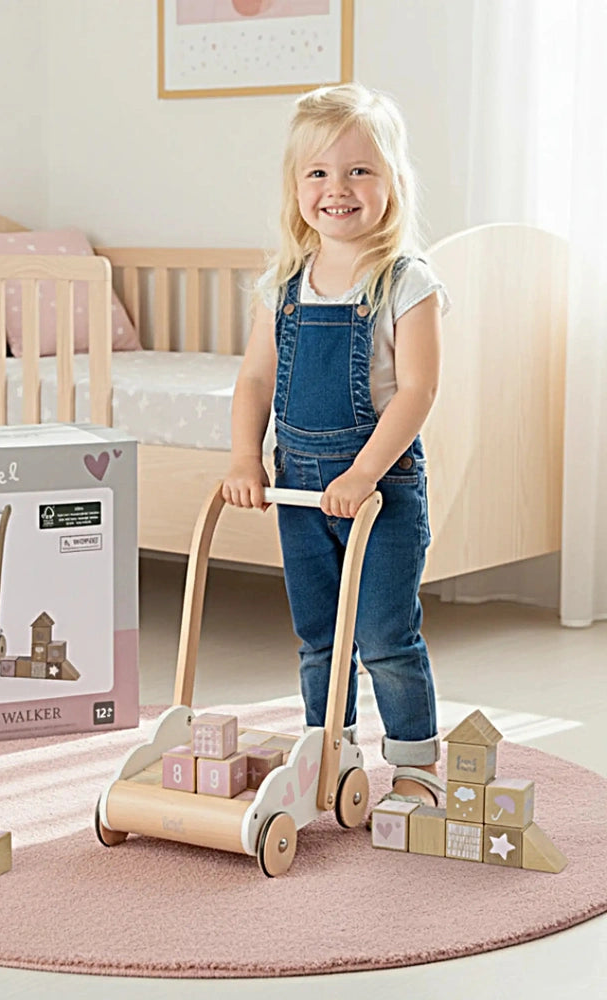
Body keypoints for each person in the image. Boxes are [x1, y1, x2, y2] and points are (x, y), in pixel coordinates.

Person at [223, 83, 449, 810]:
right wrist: (243, 457)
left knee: (385, 635)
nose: (338, 189)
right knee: (319, 637)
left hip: (380, 489)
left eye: (360, 171)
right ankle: (329, 752)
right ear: (296, 189)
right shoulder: (282, 284)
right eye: (318, 173)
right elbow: (255, 378)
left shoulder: (405, 281)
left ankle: (414, 767)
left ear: (392, 184)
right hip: (298, 487)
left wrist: (361, 472)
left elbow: (415, 391)